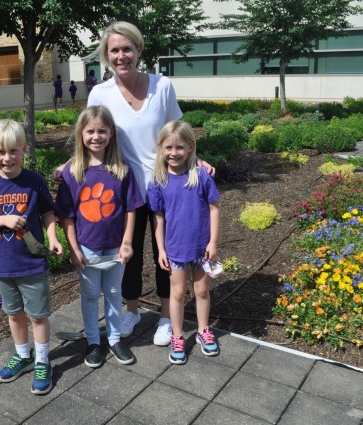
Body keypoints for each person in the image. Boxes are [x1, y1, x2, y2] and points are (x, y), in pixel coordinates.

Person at [84, 21, 214, 346]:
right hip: (122, 189)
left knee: (166, 253)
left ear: (139, 50)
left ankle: (167, 317)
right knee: (127, 255)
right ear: (106, 54)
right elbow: (91, 138)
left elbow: (178, 132)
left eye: (127, 49)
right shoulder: (99, 93)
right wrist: (72, 168)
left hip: (166, 186)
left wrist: (196, 160)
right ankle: (131, 310)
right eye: (114, 50)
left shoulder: (162, 86)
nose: (121, 55)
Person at [0, 119, 63, 395]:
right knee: (14, 314)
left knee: (38, 316)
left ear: (24, 149)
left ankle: (43, 361)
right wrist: (4, 219)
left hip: (32, 262)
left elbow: (48, 211)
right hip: (4, 263)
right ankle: (23, 355)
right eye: (0, 152)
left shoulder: (34, 181)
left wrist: (54, 237)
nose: (7, 158)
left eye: (13, 151)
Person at [55, 106, 144, 368]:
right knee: (91, 295)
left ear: (111, 133)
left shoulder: (121, 169)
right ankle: (93, 342)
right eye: (90, 131)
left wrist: (127, 242)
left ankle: (115, 339)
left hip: (116, 247)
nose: (96, 136)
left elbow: (130, 209)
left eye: (102, 131)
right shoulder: (73, 171)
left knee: (115, 293)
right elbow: (67, 215)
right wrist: (74, 248)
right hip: (87, 247)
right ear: (81, 134)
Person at [147, 120, 221, 364]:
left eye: (180, 147)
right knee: (177, 293)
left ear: (191, 147)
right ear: (160, 147)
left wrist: (213, 242)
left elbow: (214, 209)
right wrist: (160, 249)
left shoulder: (200, 176)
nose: (174, 153)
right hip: (175, 248)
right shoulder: (157, 181)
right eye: (168, 147)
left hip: (201, 247)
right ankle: (178, 336)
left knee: (201, 289)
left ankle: (203, 330)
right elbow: (157, 218)